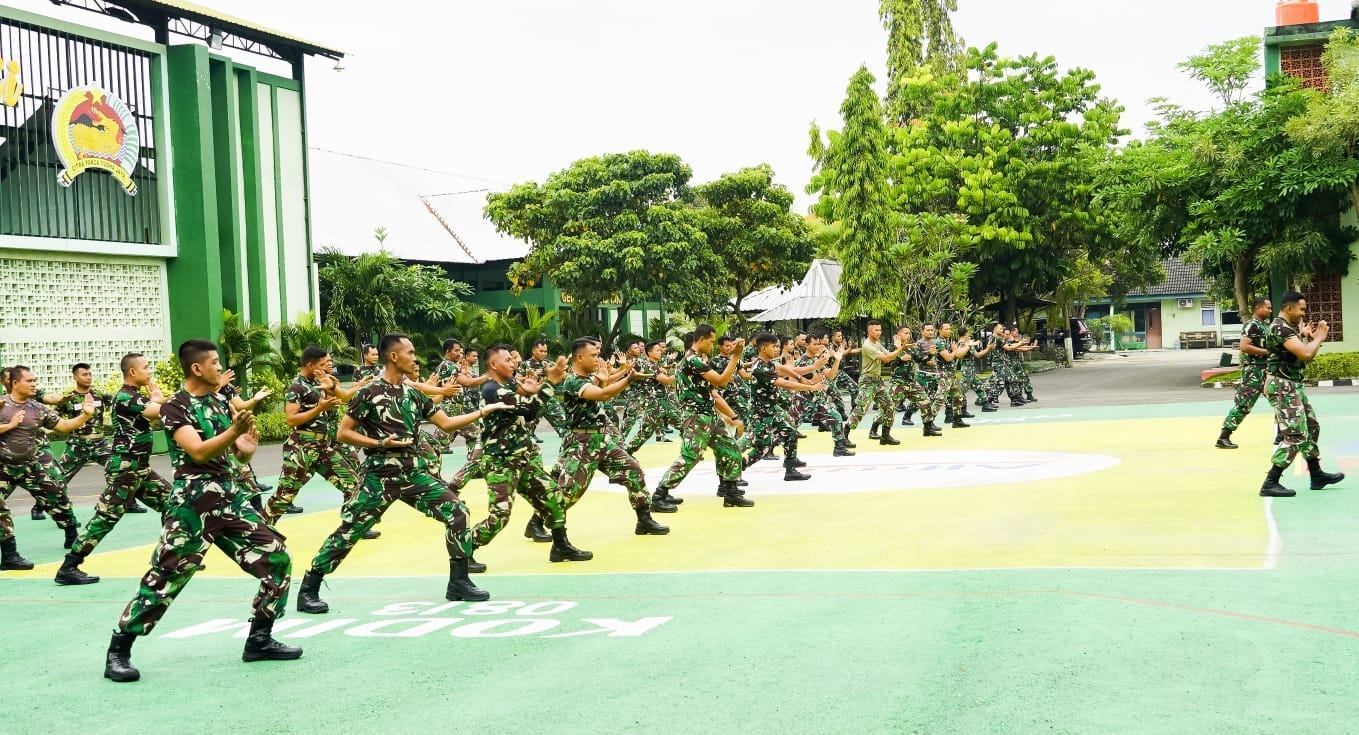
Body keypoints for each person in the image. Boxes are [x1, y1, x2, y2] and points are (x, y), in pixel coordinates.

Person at [103, 340, 299, 683]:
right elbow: (198, 452)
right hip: (192, 506)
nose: (220, 369)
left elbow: (235, 453)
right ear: (197, 368)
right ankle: (120, 649)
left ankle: (259, 639)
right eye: (214, 363)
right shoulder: (174, 407)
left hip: (229, 500)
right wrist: (233, 433)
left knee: (278, 559)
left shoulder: (221, 399)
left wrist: (246, 450)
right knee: (166, 577)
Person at [295, 334, 513, 615]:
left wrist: (485, 410)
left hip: (412, 473)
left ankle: (459, 582)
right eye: (410, 352)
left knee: (457, 511)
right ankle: (309, 588)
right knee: (350, 531)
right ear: (394, 357)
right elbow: (343, 432)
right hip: (379, 475)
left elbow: (445, 423)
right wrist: (379, 444)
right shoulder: (370, 391)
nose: (415, 357)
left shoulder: (413, 393)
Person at [470, 343, 594, 562]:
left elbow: (525, 409)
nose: (513, 363)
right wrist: (551, 382)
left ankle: (560, 546)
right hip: (501, 462)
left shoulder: (505, 386)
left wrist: (535, 389)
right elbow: (529, 409)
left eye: (512, 359)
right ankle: (465, 551)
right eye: (507, 360)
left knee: (554, 498)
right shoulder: (491, 389)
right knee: (500, 516)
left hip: (522, 459)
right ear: (492, 364)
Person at [55, 354, 172, 585]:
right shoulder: (127, 397)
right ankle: (69, 567)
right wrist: (159, 400)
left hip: (141, 469)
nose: (149, 372)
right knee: (105, 518)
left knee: (173, 506)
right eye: (145, 368)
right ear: (132, 372)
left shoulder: (136, 395)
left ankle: (169, 560)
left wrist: (157, 399)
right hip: (125, 469)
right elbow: (158, 413)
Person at [556, 338, 671, 533]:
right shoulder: (574, 380)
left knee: (634, 472)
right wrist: (628, 378)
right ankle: (541, 525)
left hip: (601, 440)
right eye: (593, 355)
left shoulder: (586, 378)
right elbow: (602, 394)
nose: (597, 358)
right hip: (582, 443)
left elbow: (602, 385)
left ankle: (644, 520)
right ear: (579, 357)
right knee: (568, 493)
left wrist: (609, 376)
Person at [265, 347, 376, 541]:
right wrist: (319, 408)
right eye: (324, 364)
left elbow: (342, 398)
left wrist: (338, 387)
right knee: (285, 494)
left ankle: (353, 526)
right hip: (302, 447)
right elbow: (291, 420)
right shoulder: (296, 387)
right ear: (310, 365)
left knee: (352, 483)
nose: (328, 367)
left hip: (324, 447)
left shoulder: (321, 382)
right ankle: (262, 531)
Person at [0, 365, 95, 559]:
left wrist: (85, 414)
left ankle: (70, 531)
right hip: (3, 467)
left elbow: (64, 427)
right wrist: (10, 425)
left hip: (31, 465)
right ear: (15, 383)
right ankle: (10, 554)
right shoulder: (1, 405)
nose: (34, 385)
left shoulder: (38, 408)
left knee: (57, 495)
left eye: (35, 381)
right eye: (29, 381)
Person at [1258, 291, 1344, 497]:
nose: (1303, 314)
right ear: (1289, 308)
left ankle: (1316, 474)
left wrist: (1309, 338)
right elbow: (1305, 354)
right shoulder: (1279, 327)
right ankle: (1270, 482)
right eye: (1301, 309)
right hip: (1281, 385)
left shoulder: (1287, 328)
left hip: (1291, 385)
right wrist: (1319, 338)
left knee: (1311, 426)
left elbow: (1300, 355)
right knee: (1296, 434)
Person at [654, 325, 749, 506]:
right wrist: (736, 356)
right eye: (711, 341)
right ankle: (660, 494)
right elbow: (721, 382)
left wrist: (730, 416)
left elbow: (713, 393)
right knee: (690, 456)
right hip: (697, 417)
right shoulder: (693, 361)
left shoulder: (696, 361)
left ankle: (731, 492)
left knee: (731, 449)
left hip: (709, 415)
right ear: (701, 339)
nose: (712, 345)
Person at [744, 333, 829, 482]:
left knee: (790, 433)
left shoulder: (768, 363)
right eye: (774, 346)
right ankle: (732, 471)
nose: (777, 349)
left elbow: (783, 368)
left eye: (778, 346)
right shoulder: (760, 368)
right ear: (764, 348)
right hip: (761, 413)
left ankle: (790, 468)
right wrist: (810, 387)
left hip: (771, 409)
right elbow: (785, 383)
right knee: (760, 449)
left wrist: (799, 377)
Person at [1217, 297, 1272, 449]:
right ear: (1258, 308)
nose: (1270, 310)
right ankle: (1223, 437)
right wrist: (1267, 352)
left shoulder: (1265, 326)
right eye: (1268, 307)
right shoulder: (1251, 325)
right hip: (1254, 371)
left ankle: (1283, 435)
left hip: (1267, 371)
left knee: (1281, 401)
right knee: (1243, 405)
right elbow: (1244, 346)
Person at [846, 320, 908, 445]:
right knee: (861, 409)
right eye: (876, 330)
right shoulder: (868, 345)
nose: (879, 332)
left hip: (877, 381)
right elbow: (887, 359)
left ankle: (885, 435)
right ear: (869, 331)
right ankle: (843, 436)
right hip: (867, 381)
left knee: (889, 406)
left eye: (880, 330)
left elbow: (889, 355)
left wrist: (897, 348)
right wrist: (901, 348)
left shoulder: (877, 344)